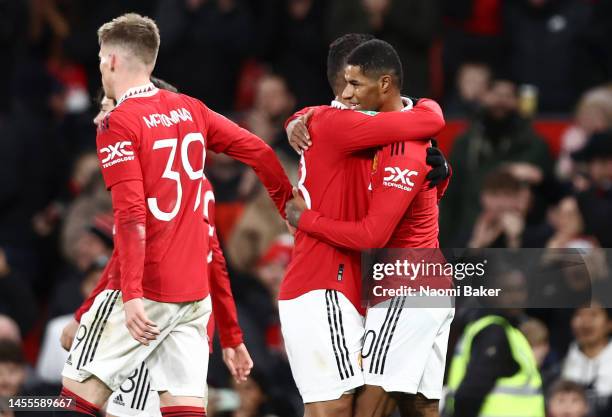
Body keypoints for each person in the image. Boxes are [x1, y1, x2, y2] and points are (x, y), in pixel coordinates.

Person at [59, 13, 292, 417]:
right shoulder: (191, 112)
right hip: (193, 298)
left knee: (76, 400)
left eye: (100, 58)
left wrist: (128, 297)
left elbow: (132, 217)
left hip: (147, 286)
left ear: (111, 61)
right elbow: (258, 150)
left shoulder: (119, 123)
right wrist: (286, 202)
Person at [60, 77, 253, 417]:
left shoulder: (148, 183)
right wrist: (230, 337)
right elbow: (215, 261)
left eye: (109, 110)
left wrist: (81, 316)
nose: (100, 121)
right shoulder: (200, 186)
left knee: (76, 399)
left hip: (142, 313)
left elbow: (124, 257)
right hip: (188, 324)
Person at [278, 34, 447, 417]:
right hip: (335, 280)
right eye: (347, 85)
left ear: (382, 82)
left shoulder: (396, 139)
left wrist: (305, 219)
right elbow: (428, 118)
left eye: (358, 84)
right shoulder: (343, 125)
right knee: (390, 407)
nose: (350, 96)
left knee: (370, 409)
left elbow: (384, 224)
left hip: (401, 284)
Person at [444, 268, 545, 417]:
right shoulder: (493, 332)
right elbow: (470, 393)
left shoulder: (507, 329)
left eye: (520, 290)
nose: (516, 297)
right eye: (508, 291)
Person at [562, 302, 612, 415]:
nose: (585, 322)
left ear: (609, 323)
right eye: (579, 315)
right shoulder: (560, 364)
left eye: (593, 315)